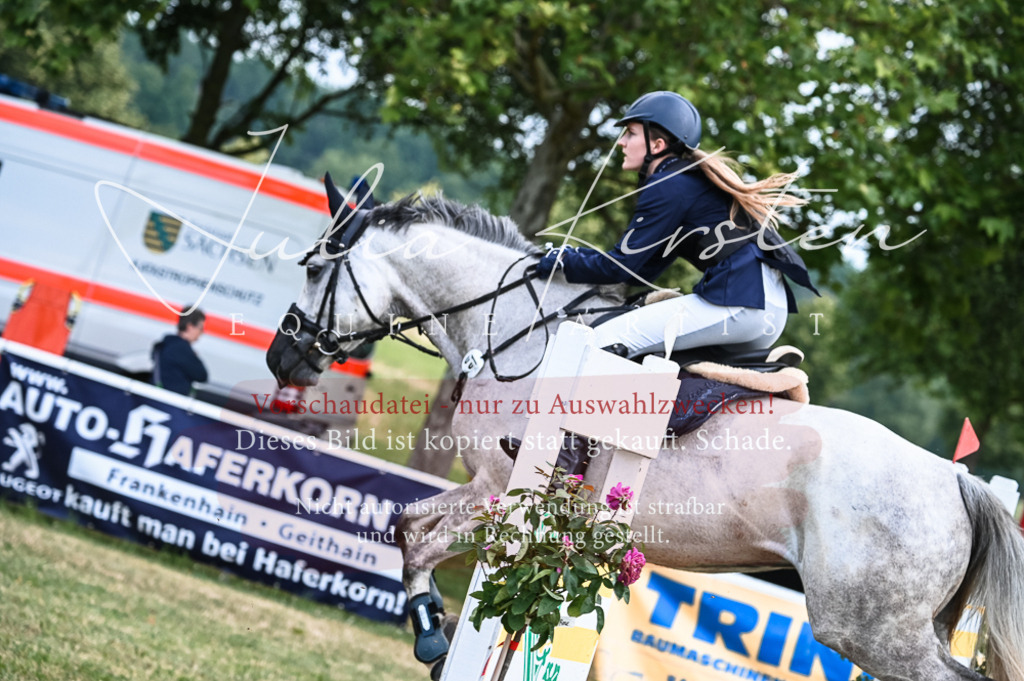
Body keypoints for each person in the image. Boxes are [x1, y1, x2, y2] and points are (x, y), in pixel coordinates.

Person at [536, 91, 818, 359]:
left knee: (597, 339)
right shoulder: (682, 182)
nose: (621, 142)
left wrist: (561, 260)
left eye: (630, 133)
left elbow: (617, 267)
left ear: (657, 146)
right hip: (766, 310)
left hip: (741, 304)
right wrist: (571, 258)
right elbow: (638, 270)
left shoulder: (667, 186)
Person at [152, 307, 208, 396]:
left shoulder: (166, 343)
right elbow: (202, 375)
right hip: (171, 402)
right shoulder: (182, 349)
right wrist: (194, 357)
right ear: (190, 327)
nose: (202, 332)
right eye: (200, 328)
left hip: (159, 398)